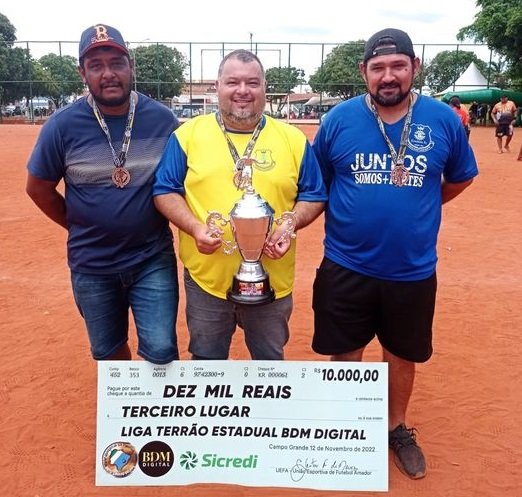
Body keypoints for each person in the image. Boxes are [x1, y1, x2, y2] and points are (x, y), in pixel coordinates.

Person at [311, 28, 478, 480]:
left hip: (412, 268)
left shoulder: (442, 119)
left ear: (414, 67)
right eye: (378, 67)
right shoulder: (339, 120)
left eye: (398, 66)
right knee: (346, 349)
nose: (388, 76)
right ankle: (347, 423)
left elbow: (461, 176)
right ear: (364, 71)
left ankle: (395, 426)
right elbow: (318, 182)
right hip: (346, 263)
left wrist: (422, 202)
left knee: (402, 353)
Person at [153, 49, 326, 360]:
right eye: (233, 82)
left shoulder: (292, 139)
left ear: (264, 87)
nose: (243, 91)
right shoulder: (187, 135)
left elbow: (313, 195)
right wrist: (195, 228)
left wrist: (288, 225)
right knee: (206, 363)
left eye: (252, 83)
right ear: (217, 86)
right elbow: (164, 190)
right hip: (207, 282)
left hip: (272, 281)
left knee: (269, 365)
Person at [25, 24, 180, 364]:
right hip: (92, 264)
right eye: (96, 66)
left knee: (161, 351)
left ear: (131, 66)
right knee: (109, 354)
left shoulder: (163, 120)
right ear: (83, 73)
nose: (108, 74)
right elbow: (38, 188)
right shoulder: (62, 126)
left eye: (116, 63)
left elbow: (181, 181)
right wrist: (77, 224)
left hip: (151, 257)